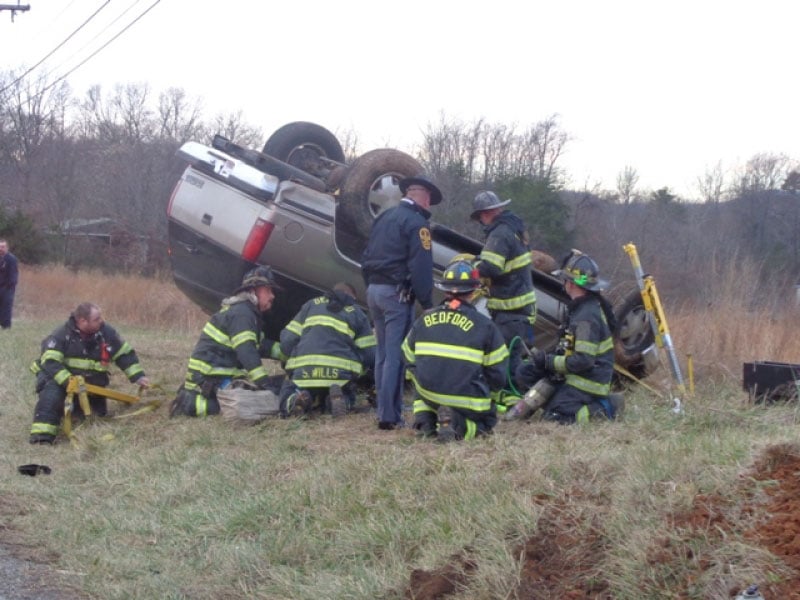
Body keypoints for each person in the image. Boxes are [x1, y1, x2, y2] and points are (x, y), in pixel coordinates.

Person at [361, 174, 442, 430]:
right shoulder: (418, 224)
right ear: (424, 197)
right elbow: (421, 266)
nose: (429, 205)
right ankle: (389, 417)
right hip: (396, 295)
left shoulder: (384, 217)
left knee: (383, 354)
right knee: (395, 355)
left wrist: (371, 285)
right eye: (429, 199)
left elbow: (366, 255)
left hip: (374, 290)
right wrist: (427, 302)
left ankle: (384, 411)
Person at [402, 260, 509, 442]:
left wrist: (424, 377)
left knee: (420, 383)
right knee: (488, 420)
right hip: (465, 399)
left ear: (445, 290)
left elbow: (407, 357)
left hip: (429, 394)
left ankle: (425, 423)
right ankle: (459, 426)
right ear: (474, 292)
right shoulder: (486, 326)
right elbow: (498, 375)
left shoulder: (423, 320)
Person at [514, 250, 622, 424]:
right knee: (524, 373)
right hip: (571, 373)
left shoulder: (586, 318)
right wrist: (542, 357)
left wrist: (548, 362)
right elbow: (567, 346)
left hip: (587, 381)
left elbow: (583, 361)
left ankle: (606, 407)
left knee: (556, 419)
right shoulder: (579, 307)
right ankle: (559, 401)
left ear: (570, 283)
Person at [170, 265, 284, 417]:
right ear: (253, 290)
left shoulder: (245, 312)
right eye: (268, 290)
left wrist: (289, 352)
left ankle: (194, 398)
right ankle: (189, 404)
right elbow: (247, 351)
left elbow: (263, 346)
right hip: (210, 378)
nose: (272, 296)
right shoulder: (243, 314)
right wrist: (264, 383)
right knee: (245, 404)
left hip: (212, 377)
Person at [29, 302, 150, 444]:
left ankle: (70, 410)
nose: (101, 321)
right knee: (52, 397)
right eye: (97, 319)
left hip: (90, 385)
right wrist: (69, 381)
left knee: (96, 416)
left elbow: (123, 354)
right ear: (82, 321)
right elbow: (50, 362)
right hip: (60, 381)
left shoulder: (106, 332)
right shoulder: (61, 334)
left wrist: (138, 376)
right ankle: (42, 437)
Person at [470, 191, 537, 391]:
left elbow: (491, 267)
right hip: (519, 308)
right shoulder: (514, 228)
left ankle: (513, 395)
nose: (481, 220)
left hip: (510, 309)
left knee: (505, 356)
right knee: (512, 355)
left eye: (481, 215)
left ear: (487, 213)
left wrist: (471, 269)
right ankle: (515, 394)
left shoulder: (499, 233)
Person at [278, 282, 375, 417]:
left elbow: (287, 341)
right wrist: (361, 371)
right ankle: (339, 400)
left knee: (289, 392)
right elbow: (370, 354)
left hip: (305, 371)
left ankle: (296, 400)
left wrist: (288, 363)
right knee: (347, 393)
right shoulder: (357, 312)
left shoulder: (310, 305)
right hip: (340, 375)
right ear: (352, 297)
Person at [0, 239, 19, 329]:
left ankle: (6, 326)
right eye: (0, 247)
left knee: (6, 307)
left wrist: (10, 286)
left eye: (3, 247)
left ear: (7, 248)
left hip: (8, 288)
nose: (1, 249)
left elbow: (13, 274)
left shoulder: (11, 259)